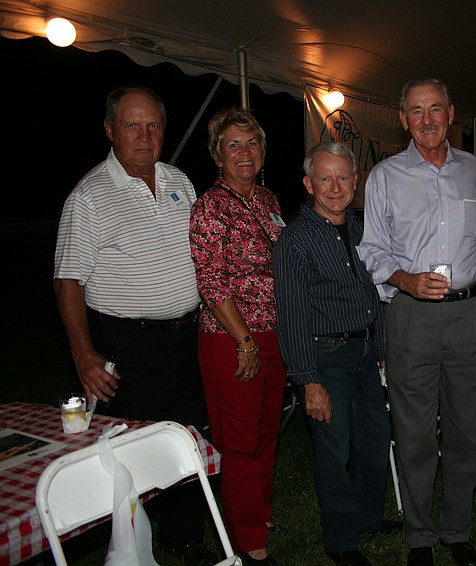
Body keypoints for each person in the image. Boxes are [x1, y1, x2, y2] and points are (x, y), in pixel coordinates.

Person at [54, 85, 217, 563]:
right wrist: (84, 355)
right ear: (110, 130)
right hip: (127, 344)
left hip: (185, 339)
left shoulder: (179, 181)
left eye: (154, 125)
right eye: (132, 125)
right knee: (127, 450)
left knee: (187, 439)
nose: (145, 136)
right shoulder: (89, 196)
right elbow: (68, 281)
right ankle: (127, 547)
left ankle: (187, 538)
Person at [359, 77, 476, 566]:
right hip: (410, 315)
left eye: (436, 109)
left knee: (467, 429)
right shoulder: (385, 176)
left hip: (469, 314)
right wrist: (406, 281)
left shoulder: (473, 171)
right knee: (413, 433)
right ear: (403, 119)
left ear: (451, 113)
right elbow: (371, 249)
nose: (428, 119)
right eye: (417, 111)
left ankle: (457, 530)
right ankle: (419, 537)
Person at [274, 142, 392, 566]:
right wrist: (308, 380)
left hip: (365, 352)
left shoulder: (365, 230)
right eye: (325, 178)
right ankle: (341, 541)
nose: (335, 186)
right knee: (334, 450)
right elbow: (291, 315)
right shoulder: (294, 240)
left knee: (375, 442)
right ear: (308, 184)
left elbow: (375, 293)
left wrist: (380, 350)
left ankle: (368, 519)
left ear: (356, 182)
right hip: (326, 358)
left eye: (343, 177)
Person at [189, 108, 286, 565]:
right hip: (233, 339)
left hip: (275, 335)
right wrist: (244, 339)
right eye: (233, 145)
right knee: (240, 440)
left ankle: (258, 512)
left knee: (268, 432)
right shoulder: (210, 206)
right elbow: (212, 282)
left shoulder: (268, 200)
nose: (244, 153)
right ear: (217, 155)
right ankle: (247, 538)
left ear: (262, 151)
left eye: (252, 143)